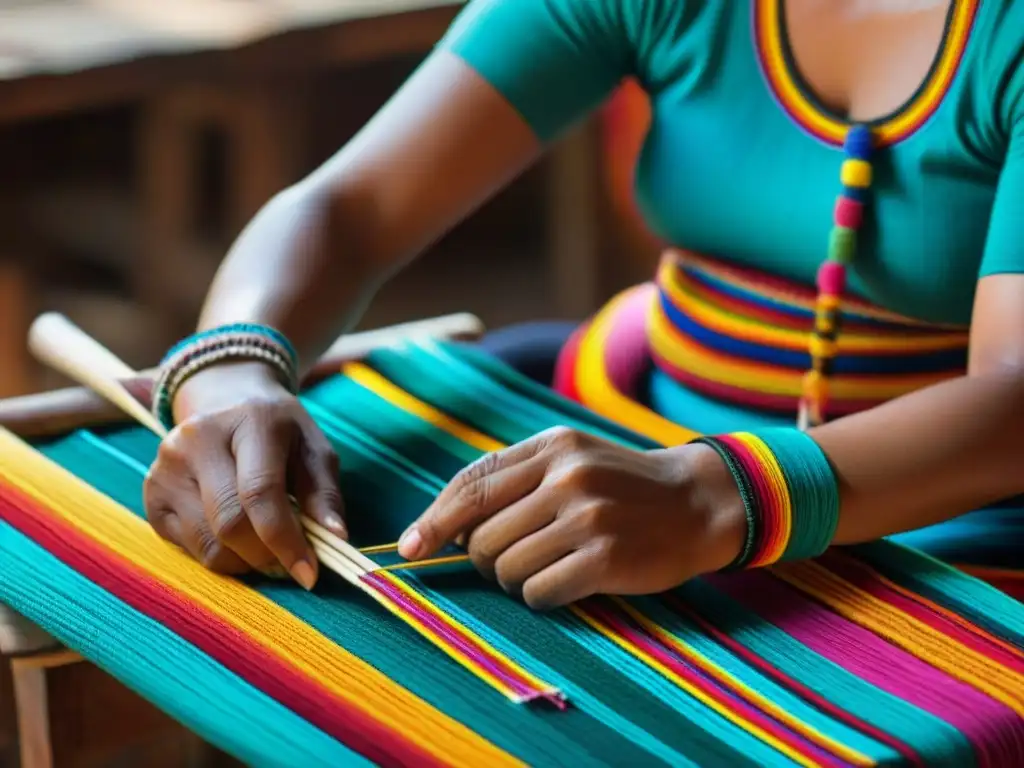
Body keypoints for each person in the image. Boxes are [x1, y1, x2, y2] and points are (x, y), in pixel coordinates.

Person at [142, 0, 1024, 610]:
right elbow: (353, 207)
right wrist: (229, 367)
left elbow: (1014, 396)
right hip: (635, 402)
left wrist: (716, 495)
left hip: (939, 510)